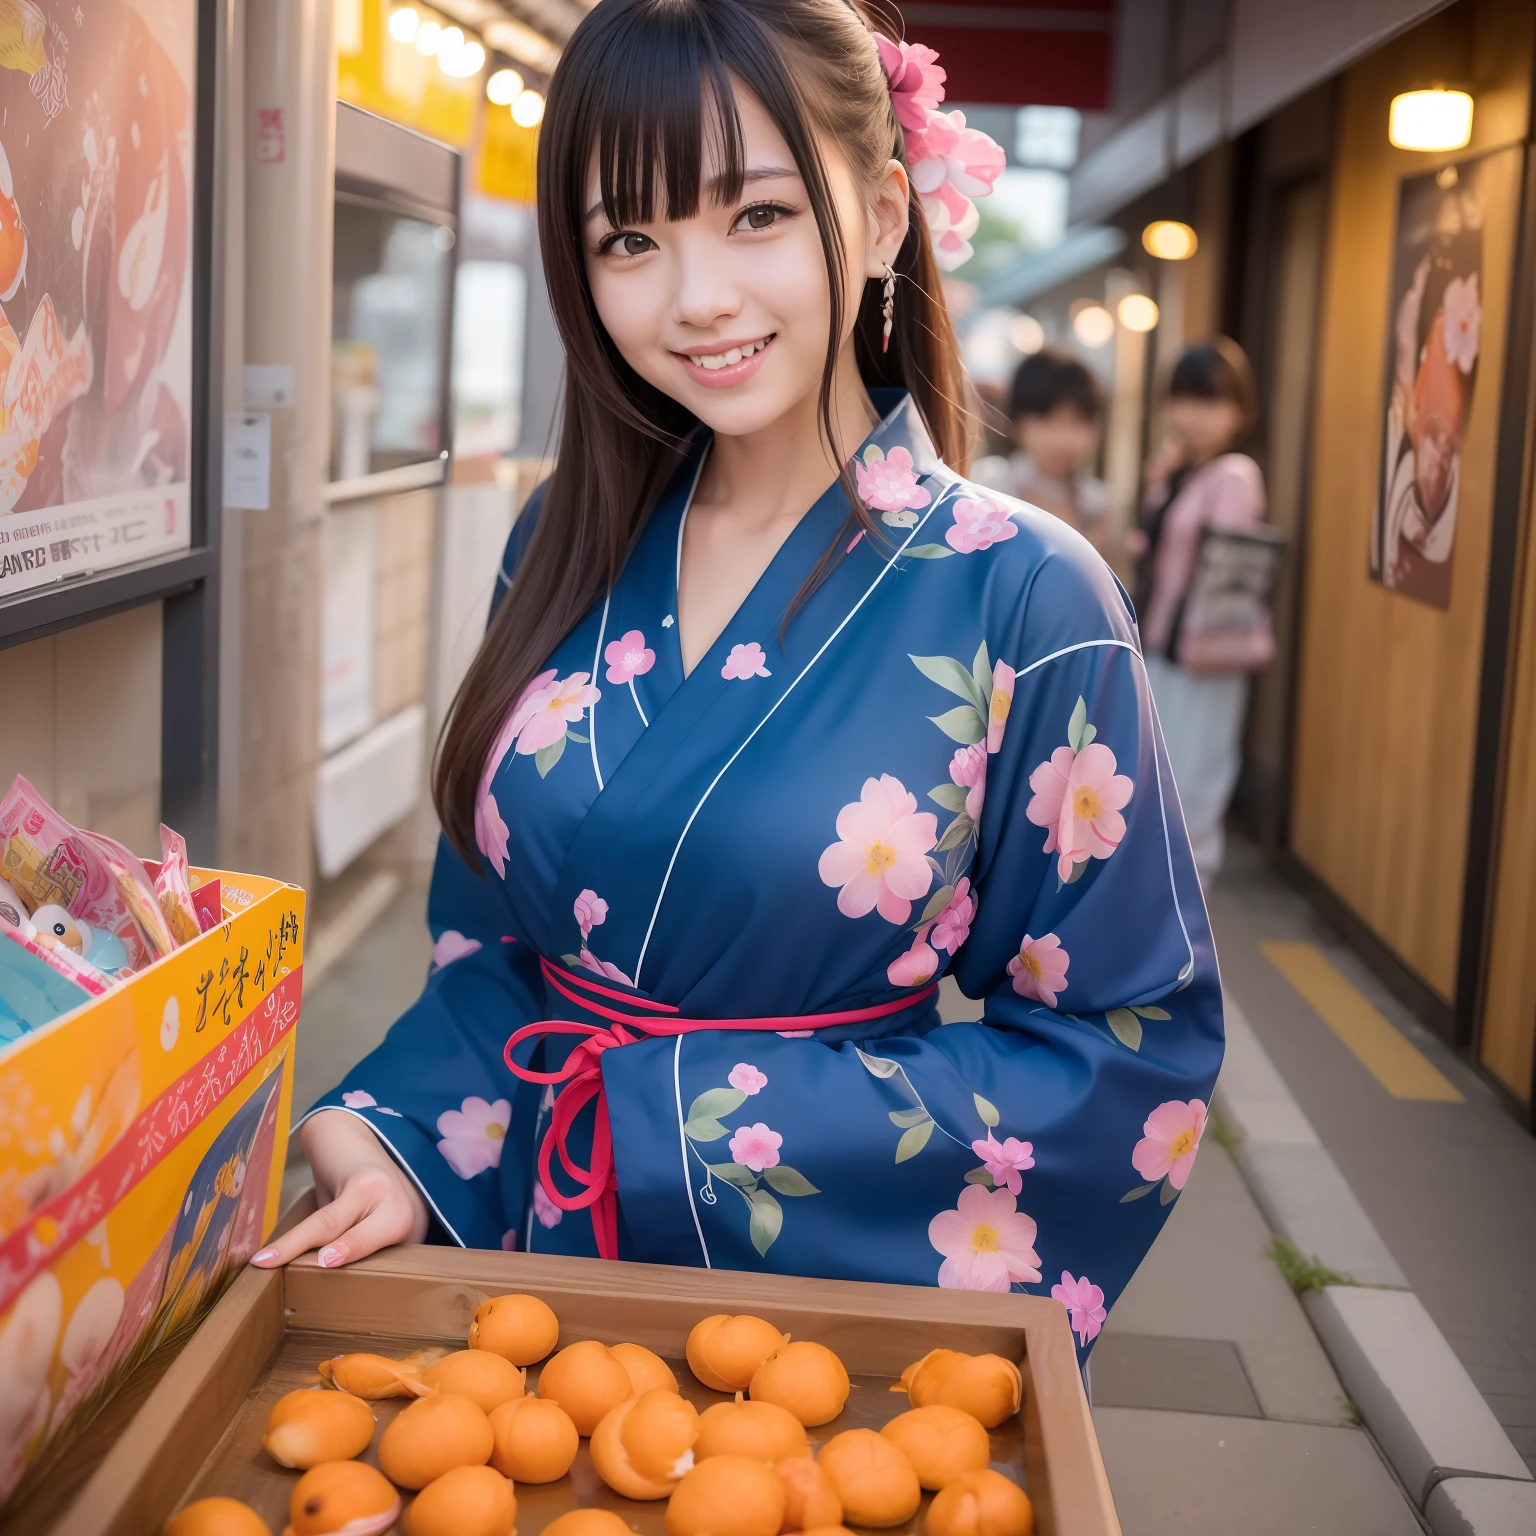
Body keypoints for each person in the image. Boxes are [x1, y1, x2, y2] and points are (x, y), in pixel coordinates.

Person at [256, 0, 1222, 1356]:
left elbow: (1124, 1054)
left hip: (806, 1322)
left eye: (757, 216)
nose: (696, 296)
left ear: (885, 214)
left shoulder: (1025, 594)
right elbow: (494, 957)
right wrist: (390, 1130)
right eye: (630, 239)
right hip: (534, 1291)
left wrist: (676, 1124)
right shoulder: (562, 542)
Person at [1133, 338, 1266, 877]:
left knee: (1193, 777)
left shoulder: (1233, 473)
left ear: (1239, 410)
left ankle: (1192, 900)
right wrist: (1158, 485)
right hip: (1166, 645)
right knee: (1163, 773)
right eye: (1185, 399)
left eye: (1211, 401)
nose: (1195, 415)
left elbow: (1224, 560)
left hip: (1206, 649)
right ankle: (1166, 895)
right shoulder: (1183, 472)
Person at [1001, 349, 1110, 551]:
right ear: (1017, 422)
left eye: (1078, 422)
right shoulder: (992, 489)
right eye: (1048, 421)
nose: (1065, 439)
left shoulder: (1095, 503)